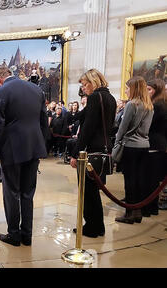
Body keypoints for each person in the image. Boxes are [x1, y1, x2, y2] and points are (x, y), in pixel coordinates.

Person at [0, 66, 48, 247]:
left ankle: (14, 235)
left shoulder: (0, 93)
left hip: (12, 150)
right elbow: (44, 122)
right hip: (33, 148)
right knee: (28, 193)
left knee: (12, 193)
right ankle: (27, 235)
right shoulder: (36, 89)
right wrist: (41, 146)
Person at [70, 69, 116, 237]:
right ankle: (98, 226)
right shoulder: (109, 97)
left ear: (92, 82)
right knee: (93, 191)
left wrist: (75, 153)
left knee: (87, 192)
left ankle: (91, 226)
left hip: (91, 151)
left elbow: (87, 129)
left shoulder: (95, 97)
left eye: (84, 85)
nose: (84, 89)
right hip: (104, 149)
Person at [114, 76, 154, 224]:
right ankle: (137, 212)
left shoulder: (132, 105)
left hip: (131, 146)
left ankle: (129, 214)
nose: (125, 90)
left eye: (127, 87)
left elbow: (123, 128)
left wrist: (117, 141)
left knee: (129, 181)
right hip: (144, 146)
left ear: (134, 88)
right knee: (138, 180)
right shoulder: (149, 105)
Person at [143, 79, 166, 215]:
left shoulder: (157, 106)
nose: (147, 92)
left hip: (154, 144)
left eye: (149, 89)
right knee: (152, 180)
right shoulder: (160, 104)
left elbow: (149, 126)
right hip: (158, 144)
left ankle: (149, 208)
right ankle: (152, 208)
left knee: (150, 180)